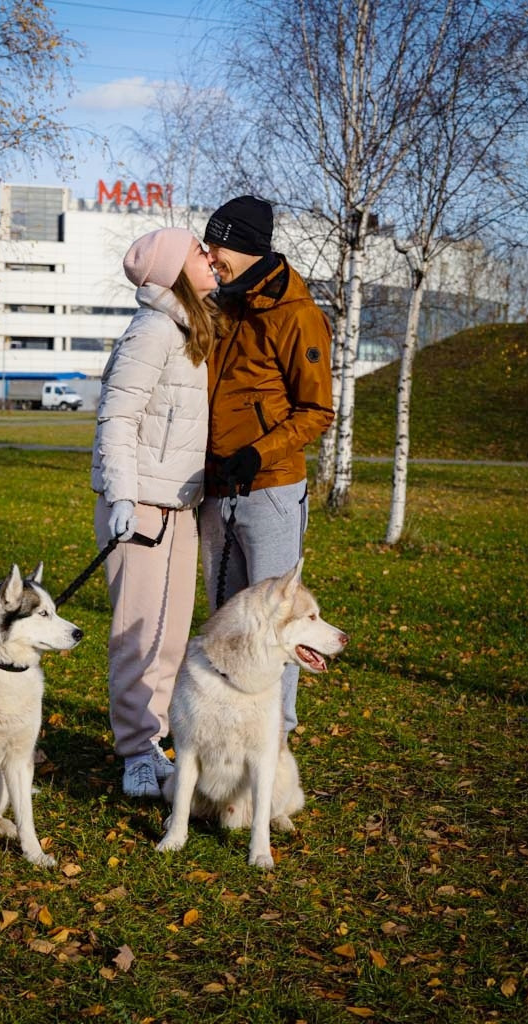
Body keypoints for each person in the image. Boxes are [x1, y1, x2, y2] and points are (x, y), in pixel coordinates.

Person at [91, 226, 221, 799]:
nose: (208, 257)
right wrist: (121, 495)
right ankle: (134, 752)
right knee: (136, 636)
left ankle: (153, 737)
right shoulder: (150, 331)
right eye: (197, 250)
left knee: (170, 638)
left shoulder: (185, 327)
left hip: (178, 507)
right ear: (171, 269)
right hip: (139, 506)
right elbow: (116, 417)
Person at [200, 195, 334, 736]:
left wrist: (258, 453)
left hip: (273, 489)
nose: (210, 256)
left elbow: (317, 410)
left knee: (276, 618)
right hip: (214, 488)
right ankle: (226, 721)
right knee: (227, 616)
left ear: (245, 246)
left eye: (217, 246)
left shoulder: (296, 315)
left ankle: (275, 729)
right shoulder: (222, 303)